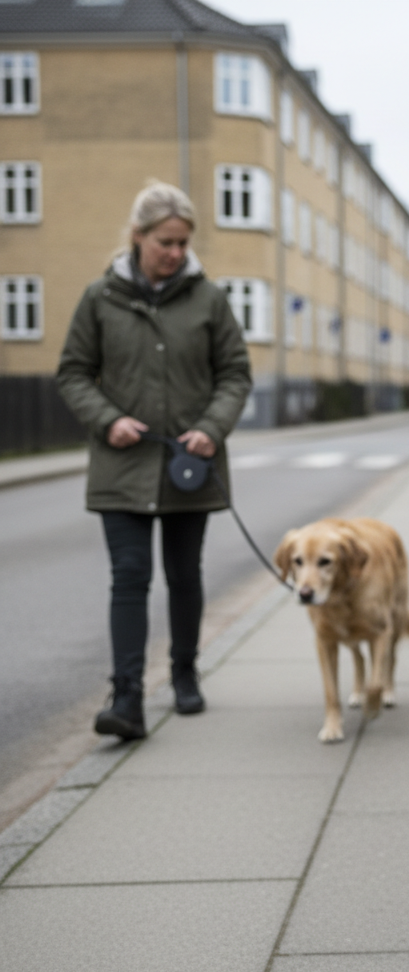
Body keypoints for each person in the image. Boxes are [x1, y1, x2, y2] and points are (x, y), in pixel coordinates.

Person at [57, 181, 252, 740]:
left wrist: (211, 429)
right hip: (122, 465)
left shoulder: (208, 300)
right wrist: (107, 419)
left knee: (184, 575)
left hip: (188, 467)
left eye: (183, 243)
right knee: (130, 576)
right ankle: (127, 699)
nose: (175, 252)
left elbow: (235, 373)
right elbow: (73, 371)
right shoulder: (100, 299)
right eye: (165, 241)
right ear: (138, 236)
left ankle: (185, 674)